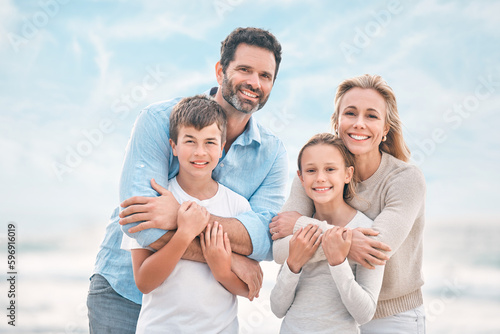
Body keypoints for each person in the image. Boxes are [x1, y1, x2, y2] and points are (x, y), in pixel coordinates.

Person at [87, 27, 288, 334]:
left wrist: (181, 217)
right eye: (244, 70)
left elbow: (262, 239)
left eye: (265, 75)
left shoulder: (272, 153)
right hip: (124, 293)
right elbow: (141, 220)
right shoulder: (158, 120)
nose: (254, 83)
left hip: (203, 317)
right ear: (220, 70)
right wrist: (230, 258)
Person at [271, 74, 426, 333]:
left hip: (393, 315)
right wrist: (345, 242)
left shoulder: (405, 179)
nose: (359, 124)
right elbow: (280, 251)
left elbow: (375, 249)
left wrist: (299, 225)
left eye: (372, 116)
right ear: (337, 121)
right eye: (350, 113)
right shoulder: (315, 175)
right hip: (334, 313)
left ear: (386, 128)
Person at [121, 95, 252, 333]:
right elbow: (144, 282)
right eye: (190, 141)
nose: (200, 152)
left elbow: (248, 288)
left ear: (222, 148)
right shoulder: (155, 203)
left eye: (210, 142)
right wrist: (183, 235)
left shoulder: (238, 207)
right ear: (174, 146)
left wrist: (221, 269)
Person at [270, 133, 385, 333]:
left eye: (330, 169)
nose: (320, 178)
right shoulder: (296, 229)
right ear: (301, 178)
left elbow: (365, 313)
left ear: (348, 174)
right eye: (311, 170)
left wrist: (338, 263)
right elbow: (277, 308)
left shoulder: (366, 231)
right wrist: (293, 265)